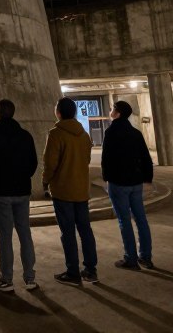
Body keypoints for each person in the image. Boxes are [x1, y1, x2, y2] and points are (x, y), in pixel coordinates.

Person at [0, 98, 38, 292]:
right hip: (22, 191)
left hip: (1, 192)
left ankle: (6, 278)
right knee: (25, 233)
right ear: (13, 112)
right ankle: (30, 278)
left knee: (5, 236)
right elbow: (33, 163)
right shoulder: (25, 136)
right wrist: (23, 178)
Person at [43, 97, 98, 285]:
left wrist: (45, 181)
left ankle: (72, 271)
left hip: (63, 190)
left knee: (68, 232)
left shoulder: (56, 134)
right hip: (81, 190)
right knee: (85, 230)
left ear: (58, 112)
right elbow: (87, 160)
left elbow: (50, 163)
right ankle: (91, 270)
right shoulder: (84, 135)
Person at [101, 100, 154, 270]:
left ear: (117, 113)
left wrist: (106, 178)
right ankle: (145, 257)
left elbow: (106, 159)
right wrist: (148, 179)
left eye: (112, 109)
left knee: (124, 220)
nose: (110, 111)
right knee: (141, 219)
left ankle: (130, 258)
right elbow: (146, 157)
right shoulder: (135, 133)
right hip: (136, 182)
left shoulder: (110, 132)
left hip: (118, 183)